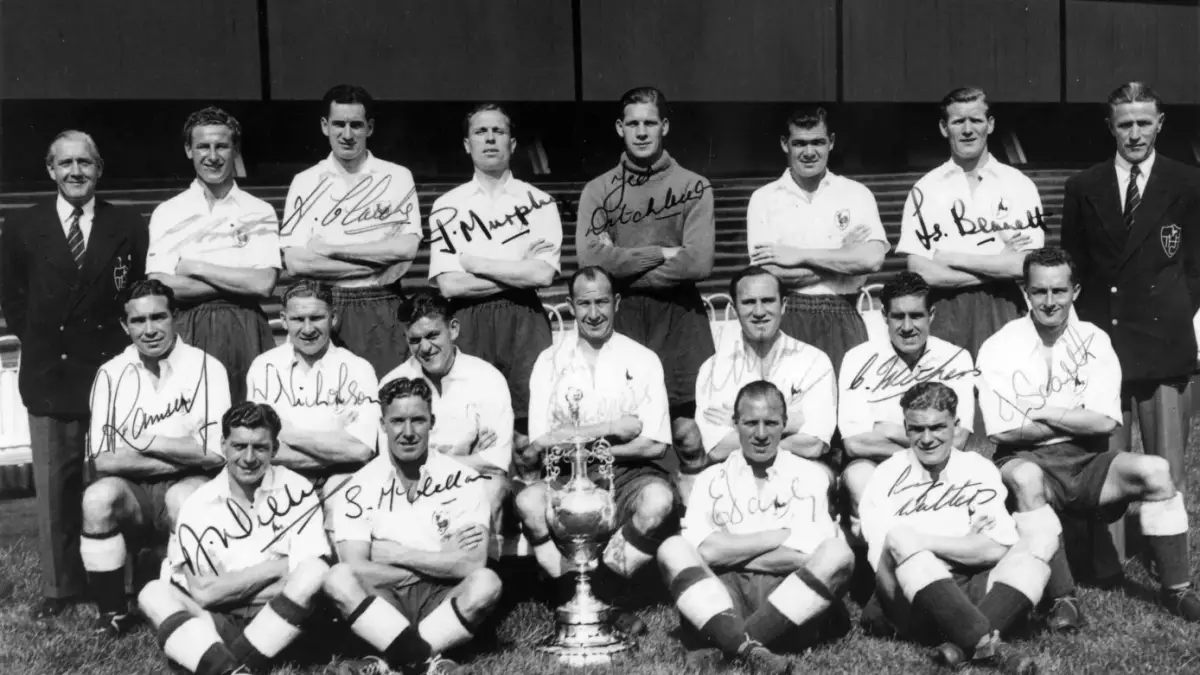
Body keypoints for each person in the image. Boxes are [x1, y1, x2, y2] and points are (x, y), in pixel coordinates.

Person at [978, 247, 1200, 629]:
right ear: (1025, 292)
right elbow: (1005, 429)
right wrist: (1074, 416)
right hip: (1024, 458)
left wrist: (1044, 411)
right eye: (1040, 292)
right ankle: (1063, 600)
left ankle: (1176, 589)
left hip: (1085, 461)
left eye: (1059, 291)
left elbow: (1105, 424)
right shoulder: (1000, 345)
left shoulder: (1094, 340)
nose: (1050, 302)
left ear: (1075, 291)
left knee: (1156, 470)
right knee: (1026, 478)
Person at [0, 130, 148, 615]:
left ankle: (121, 583)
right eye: (66, 164)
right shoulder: (24, 226)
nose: (76, 171)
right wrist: (42, 341)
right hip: (51, 371)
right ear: (50, 170)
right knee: (56, 486)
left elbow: (136, 291)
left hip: (110, 373)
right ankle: (61, 588)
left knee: (109, 480)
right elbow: (14, 299)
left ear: (99, 168)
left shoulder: (125, 221)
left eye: (85, 162)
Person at [518, 265, 676, 636]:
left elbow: (653, 443)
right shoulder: (549, 361)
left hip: (628, 472)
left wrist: (576, 441)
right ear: (571, 305)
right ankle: (580, 593)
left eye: (602, 302)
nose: (593, 313)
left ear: (616, 302)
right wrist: (609, 429)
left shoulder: (642, 358)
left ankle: (599, 588)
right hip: (564, 475)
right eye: (584, 303)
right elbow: (542, 442)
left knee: (658, 501)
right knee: (528, 504)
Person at [658, 380, 854, 675]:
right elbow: (705, 552)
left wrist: (731, 549)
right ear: (735, 423)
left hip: (788, 599)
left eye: (771, 423)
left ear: (784, 424)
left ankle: (728, 646)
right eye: (750, 423)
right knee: (671, 548)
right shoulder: (710, 478)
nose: (761, 434)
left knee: (838, 554)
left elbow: (805, 557)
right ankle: (751, 650)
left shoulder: (811, 475)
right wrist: (777, 537)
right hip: (724, 599)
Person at [859, 382, 1055, 674]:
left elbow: (996, 547)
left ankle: (958, 647)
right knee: (900, 536)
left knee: (1040, 540)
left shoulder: (977, 467)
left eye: (938, 427)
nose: (926, 439)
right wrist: (963, 544)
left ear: (956, 425)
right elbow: (890, 561)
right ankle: (990, 644)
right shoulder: (886, 475)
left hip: (963, 590)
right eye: (916, 429)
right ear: (906, 428)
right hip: (905, 602)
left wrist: (924, 541)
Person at [1060, 81, 1200, 487]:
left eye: (1143, 122)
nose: (1135, 134)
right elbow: (1075, 268)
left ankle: (1164, 546)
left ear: (1160, 123)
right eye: (1125, 125)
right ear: (1110, 126)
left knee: (1166, 470)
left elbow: (1195, 267)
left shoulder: (1189, 183)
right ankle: (1110, 550)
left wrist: (1172, 310)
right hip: (1106, 341)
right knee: (1106, 466)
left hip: (1164, 343)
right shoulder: (1083, 187)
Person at [576, 86, 713, 482]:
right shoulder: (598, 190)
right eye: (632, 123)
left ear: (664, 126)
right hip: (625, 315)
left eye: (649, 122)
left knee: (687, 433)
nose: (641, 132)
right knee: (625, 429)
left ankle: (696, 517)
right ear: (619, 127)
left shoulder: (694, 186)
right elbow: (590, 263)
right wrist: (661, 253)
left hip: (679, 316)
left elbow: (698, 262)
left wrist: (620, 261)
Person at [324, 377, 503, 675]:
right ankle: (428, 661)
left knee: (487, 583)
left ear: (432, 421)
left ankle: (387, 661)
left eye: (417, 420)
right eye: (397, 421)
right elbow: (354, 567)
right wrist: (442, 559)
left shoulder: (463, 478)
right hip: (385, 597)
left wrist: (393, 553)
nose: (407, 432)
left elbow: (472, 564)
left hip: (441, 597)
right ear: (383, 424)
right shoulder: (358, 485)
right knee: (337, 578)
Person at [138, 402, 332, 675]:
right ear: (224, 445)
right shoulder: (198, 504)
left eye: (260, 447)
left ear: (275, 449)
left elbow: (309, 580)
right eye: (239, 446)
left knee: (315, 571)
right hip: (221, 619)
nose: (249, 458)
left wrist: (228, 587)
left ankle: (221, 663)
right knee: (152, 593)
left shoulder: (297, 489)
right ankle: (234, 668)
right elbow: (204, 594)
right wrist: (278, 566)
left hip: (280, 622)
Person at [82, 279, 230, 634]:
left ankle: (198, 605)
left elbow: (214, 454)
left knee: (185, 496)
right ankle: (112, 613)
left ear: (174, 317)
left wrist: (145, 441)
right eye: (138, 321)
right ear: (124, 325)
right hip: (133, 492)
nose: (149, 330)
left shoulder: (206, 367)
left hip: (187, 482)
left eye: (158, 317)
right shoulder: (110, 374)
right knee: (98, 497)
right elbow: (104, 460)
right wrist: (184, 450)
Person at [427, 103, 560, 445]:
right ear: (467, 145)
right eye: (480, 132)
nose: (489, 139)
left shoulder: (540, 201)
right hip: (469, 320)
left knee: (527, 437)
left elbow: (542, 276)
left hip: (524, 319)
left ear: (512, 144)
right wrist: (518, 269)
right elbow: (449, 284)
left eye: (498, 132)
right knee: (475, 429)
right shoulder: (447, 206)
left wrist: (476, 263)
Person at [894, 87, 1046, 358]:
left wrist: (949, 257)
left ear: (990, 124)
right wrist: (997, 263)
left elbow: (1024, 265)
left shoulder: (1018, 185)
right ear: (944, 127)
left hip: (1003, 306)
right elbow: (920, 271)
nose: (967, 130)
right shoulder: (925, 189)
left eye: (975, 120)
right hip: (946, 309)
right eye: (957, 121)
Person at [282, 84, 422, 377]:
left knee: (386, 397)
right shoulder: (305, 182)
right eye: (339, 124)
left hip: (382, 304)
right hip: (326, 305)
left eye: (356, 125)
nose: (347, 134)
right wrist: (375, 262)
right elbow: (296, 262)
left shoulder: (396, 177)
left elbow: (406, 251)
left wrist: (332, 250)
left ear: (369, 127)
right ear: (324, 126)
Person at [146, 107, 280, 403]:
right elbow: (162, 287)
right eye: (203, 146)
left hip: (247, 328)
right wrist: (237, 280)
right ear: (188, 150)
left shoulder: (259, 210)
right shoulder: (168, 212)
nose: (213, 155)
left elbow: (263, 284)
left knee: (251, 420)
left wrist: (195, 267)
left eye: (222, 146)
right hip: (188, 327)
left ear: (235, 149)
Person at [747, 106, 888, 375]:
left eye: (817, 142)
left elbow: (872, 260)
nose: (809, 152)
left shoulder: (856, 194)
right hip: (790, 315)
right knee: (791, 410)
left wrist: (799, 256)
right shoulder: (764, 199)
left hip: (844, 311)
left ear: (831, 142)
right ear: (784, 144)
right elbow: (768, 275)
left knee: (847, 412)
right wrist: (842, 255)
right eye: (799, 143)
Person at [838, 271, 977, 523]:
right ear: (884, 317)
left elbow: (957, 441)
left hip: (941, 469)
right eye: (898, 316)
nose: (907, 327)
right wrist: (928, 442)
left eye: (916, 316)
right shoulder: (858, 359)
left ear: (931, 315)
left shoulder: (956, 359)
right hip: (876, 466)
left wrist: (887, 429)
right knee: (859, 477)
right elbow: (854, 444)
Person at [687, 266, 836, 499]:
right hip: (735, 474)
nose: (759, 311)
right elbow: (716, 448)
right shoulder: (713, 369)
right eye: (748, 302)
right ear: (735, 308)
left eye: (767, 301)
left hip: (799, 471)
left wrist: (740, 426)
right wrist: (792, 422)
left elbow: (814, 443)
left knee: (818, 480)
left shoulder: (813, 361)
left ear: (783, 305)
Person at [246, 280, 379, 526]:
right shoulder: (264, 367)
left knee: (344, 508)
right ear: (284, 320)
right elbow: (259, 448)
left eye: (316, 318)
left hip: (342, 477)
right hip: (280, 477)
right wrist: (336, 444)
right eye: (298, 319)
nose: (307, 329)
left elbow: (361, 450)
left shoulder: (358, 369)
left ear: (334, 318)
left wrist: (288, 433)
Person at [379, 290, 513, 521]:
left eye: (433, 335)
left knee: (492, 487)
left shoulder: (486, 378)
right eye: (415, 340)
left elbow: (495, 463)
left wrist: (431, 458)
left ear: (453, 329)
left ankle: (477, 558)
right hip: (412, 483)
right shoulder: (393, 382)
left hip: (472, 481)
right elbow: (391, 461)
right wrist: (470, 457)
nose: (425, 347)